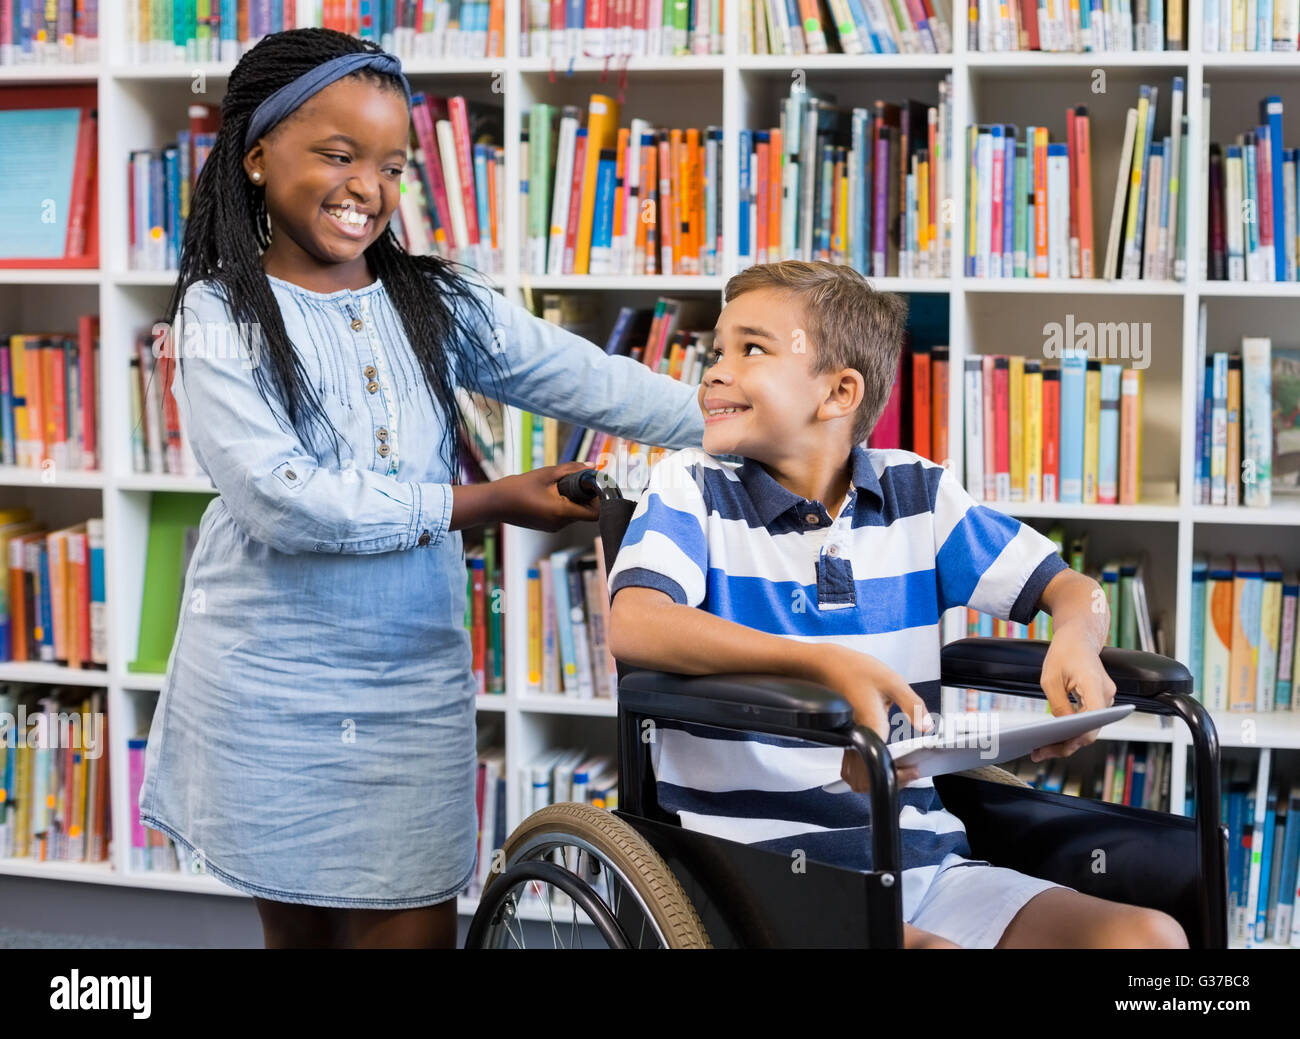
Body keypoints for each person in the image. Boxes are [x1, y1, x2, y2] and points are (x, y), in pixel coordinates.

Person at [136, 27, 703, 950]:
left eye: (392, 165)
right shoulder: (217, 315)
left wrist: (748, 425)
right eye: (337, 153)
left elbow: (589, 378)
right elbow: (284, 497)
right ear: (254, 157)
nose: (369, 185)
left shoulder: (433, 300)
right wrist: (482, 502)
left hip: (411, 683)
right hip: (272, 686)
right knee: (305, 937)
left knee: (413, 923)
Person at [605, 260, 1188, 949]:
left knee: (1150, 939)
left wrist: (1076, 640)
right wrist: (825, 665)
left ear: (839, 391)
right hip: (762, 872)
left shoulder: (920, 494)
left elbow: (1071, 587)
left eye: (750, 349)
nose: (714, 371)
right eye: (717, 350)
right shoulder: (690, 488)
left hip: (921, 857)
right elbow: (635, 621)